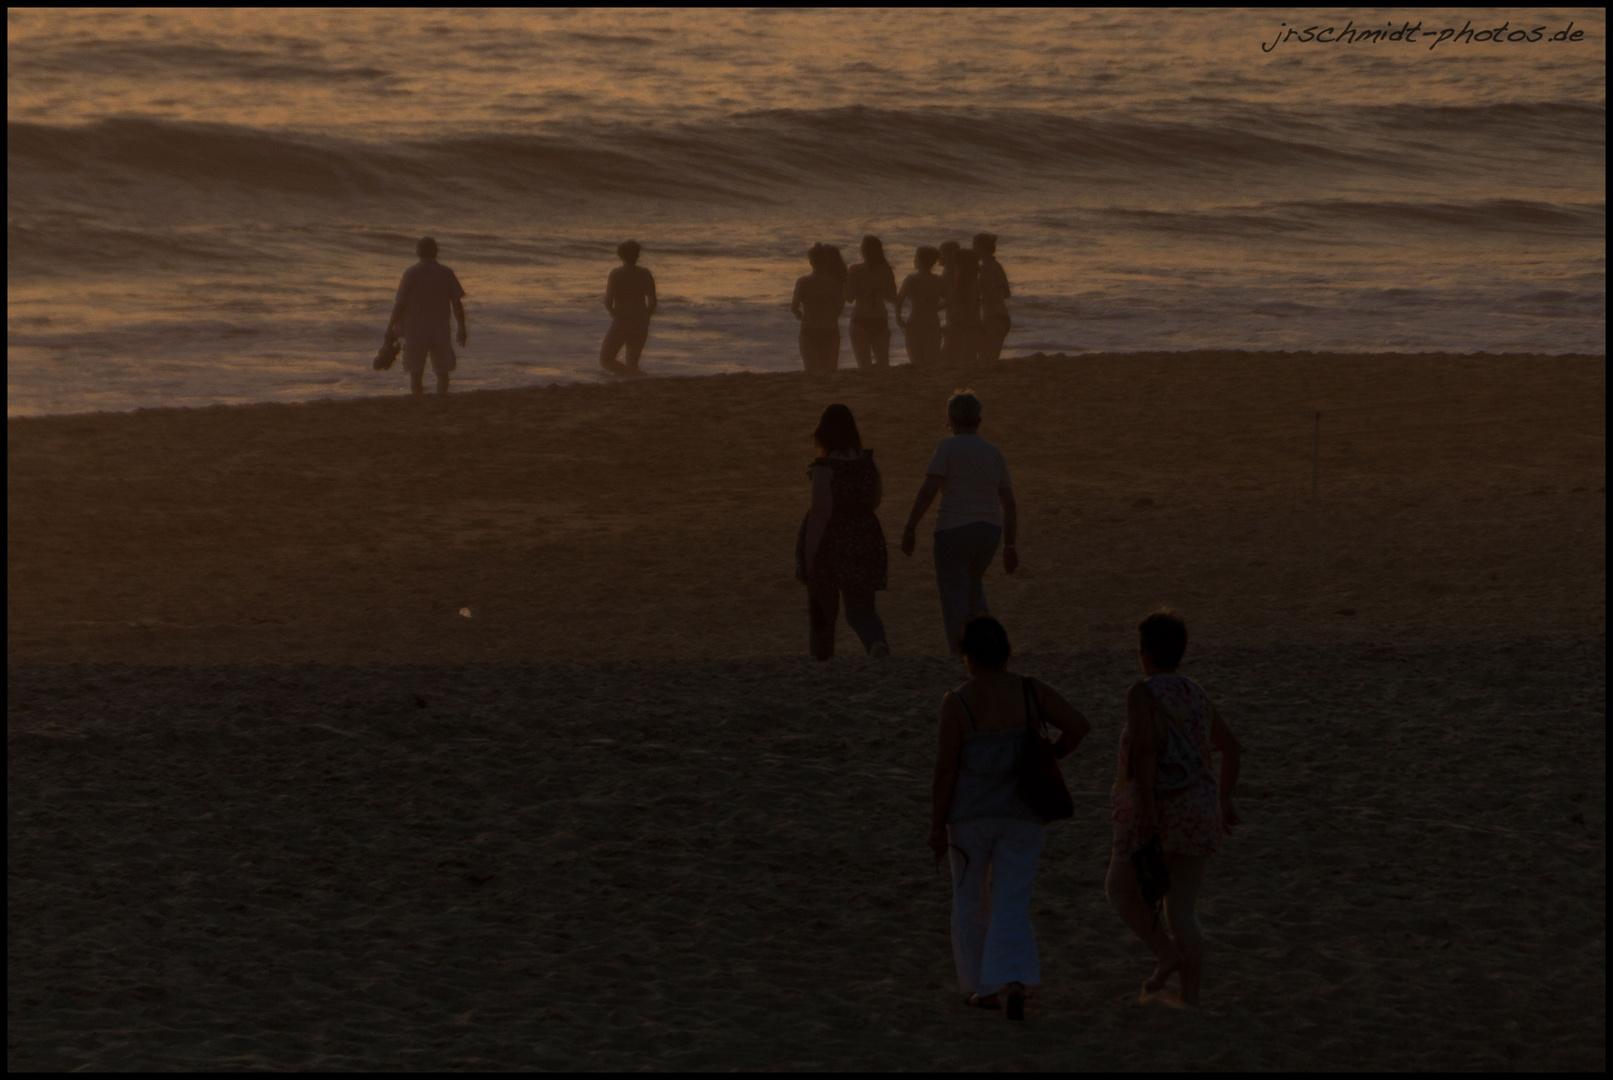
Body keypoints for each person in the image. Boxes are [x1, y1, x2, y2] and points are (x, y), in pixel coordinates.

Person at [929, 616, 1091, 1021]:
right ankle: (1015, 978)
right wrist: (1053, 754)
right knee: (1011, 899)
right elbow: (1078, 725)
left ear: (968, 656)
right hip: (1023, 813)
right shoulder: (1029, 690)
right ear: (1005, 651)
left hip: (970, 817)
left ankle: (984, 991)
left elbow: (946, 769)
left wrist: (936, 824)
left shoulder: (959, 701)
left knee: (970, 901)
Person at [1105, 609, 1242, 1006]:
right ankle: (1190, 999)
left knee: (1120, 891)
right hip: (1200, 808)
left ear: (1144, 653)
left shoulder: (1142, 692)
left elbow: (1145, 752)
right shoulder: (1194, 692)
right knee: (1182, 909)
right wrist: (1224, 799)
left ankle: (1166, 956)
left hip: (1160, 808)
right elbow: (1231, 748)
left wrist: (1147, 814)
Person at [899, 391, 1017, 655]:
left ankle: (962, 652)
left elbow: (928, 490)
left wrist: (910, 527)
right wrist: (1009, 544)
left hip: (953, 529)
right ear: (978, 420)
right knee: (974, 587)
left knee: (954, 594)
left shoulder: (947, 448)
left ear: (951, 420)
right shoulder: (993, 452)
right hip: (989, 530)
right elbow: (1009, 503)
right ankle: (987, 646)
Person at [795, 404, 890, 660]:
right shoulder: (868, 464)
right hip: (865, 539)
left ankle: (823, 661)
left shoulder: (825, 469)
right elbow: (875, 501)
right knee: (862, 610)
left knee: (824, 609)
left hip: (831, 545)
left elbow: (820, 514)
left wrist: (809, 555)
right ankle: (876, 643)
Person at [385, 236, 466, 396]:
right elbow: (457, 303)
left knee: (416, 372)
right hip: (439, 329)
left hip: (415, 330)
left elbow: (400, 304)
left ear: (418, 252)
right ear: (436, 251)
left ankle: (418, 400)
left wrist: (390, 326)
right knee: (442, 372)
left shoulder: (410, 273)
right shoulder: (446, 272)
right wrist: (461, 328)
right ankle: (441, 399)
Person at [600, 240, 658, 377]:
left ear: (620, 255)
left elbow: (608, 302)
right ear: (637, 255)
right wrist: (647, 316)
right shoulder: (645, 273)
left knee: (606, 359)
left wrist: (614, 314)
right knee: (632, 363)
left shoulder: (616, 274)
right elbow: (653, 301)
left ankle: (630, 376)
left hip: (622, 319)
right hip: (640, 320)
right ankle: (635, 377)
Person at [844, 235, 898, 369]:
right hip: (880, 318)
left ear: (862, 251)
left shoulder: (855, 270)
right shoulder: (886, 270)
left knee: (864, 365)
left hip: (860, 318)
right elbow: (892, 297)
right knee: (883, 364)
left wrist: (843, 286)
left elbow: (849, 298)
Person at [792, 244, 846, 373]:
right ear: (826, 262)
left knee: (810, 370)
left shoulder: (802, 282)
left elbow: (794, 307)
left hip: (809, 328)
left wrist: (802, 317)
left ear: (810, 262)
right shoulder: (833, 283)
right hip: (829, 328)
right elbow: (840, 306)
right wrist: (830, 316)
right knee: (830, 370)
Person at [895, 246, 944, 366]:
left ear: (920, 260)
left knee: (916, 360)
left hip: (915, 321)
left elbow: (899, 300)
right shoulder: (938, 280)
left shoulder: (911, 279)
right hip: (932, 320)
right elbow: (951, 299)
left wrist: (899, 319)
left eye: (916, 257)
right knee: (931, 360)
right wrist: (936, 307)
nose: (914, 260)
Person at [941, 248, 983, 363]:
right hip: (970, 325)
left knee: (953, 358)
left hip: (963, 326)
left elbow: (964, 305)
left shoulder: (966, 283)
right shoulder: (972, 281)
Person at [974, 233, 1011, 362]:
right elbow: (1006, 293)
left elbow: (992, 295)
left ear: (981, 248)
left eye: (975, 247)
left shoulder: (984, 268)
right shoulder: (997, 266)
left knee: (985, 359)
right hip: (1002, 316)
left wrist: (976, 302)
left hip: (993, 318)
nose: (973, 250)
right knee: (989, 358)